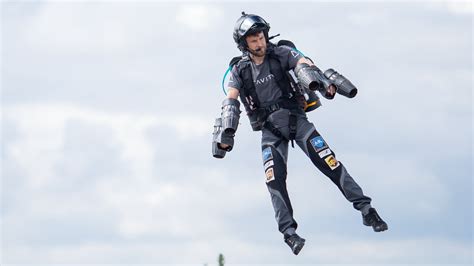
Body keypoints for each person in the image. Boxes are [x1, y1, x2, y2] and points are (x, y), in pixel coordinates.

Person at [212, 13, 388, 255]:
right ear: (244, 44)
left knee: (330, 163)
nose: (259, 42)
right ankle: (289, 233)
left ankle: (367, 210)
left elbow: (302, 64)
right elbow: (231, 97)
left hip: (298, 121)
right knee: (274, 181)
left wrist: (320, 81)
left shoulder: (282, 52)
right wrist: (225, 134)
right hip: (270, 131)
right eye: (253, 40)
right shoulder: (239, 70)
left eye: (261, 37)